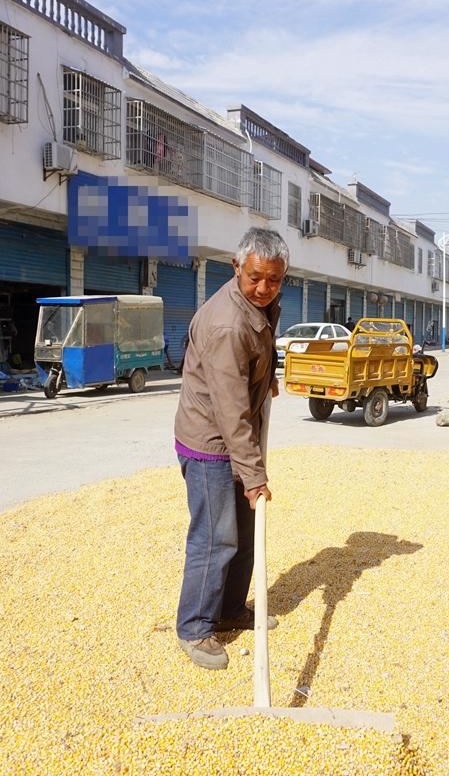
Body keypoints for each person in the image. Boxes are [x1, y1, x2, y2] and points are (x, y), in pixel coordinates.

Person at [173, 228, 287, 670]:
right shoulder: (226, 322)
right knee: (215, 537)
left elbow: (254, 355)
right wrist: (255, 477)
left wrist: (266, 377)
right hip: (210, 442)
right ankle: (196, 626)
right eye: (255, 277)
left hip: (235, 436)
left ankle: (231, 609)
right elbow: (229, 409)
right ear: (236, 267)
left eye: (274, 280)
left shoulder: (259, 304)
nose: (264, 288)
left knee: (242, 531)